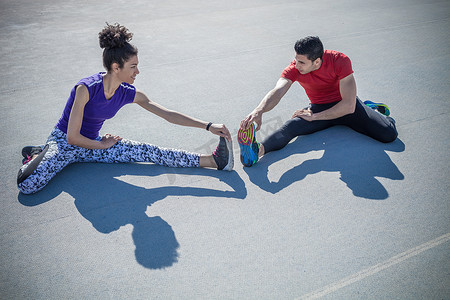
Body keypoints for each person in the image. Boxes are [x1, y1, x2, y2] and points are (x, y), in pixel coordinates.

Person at [17, 23, 233, 195]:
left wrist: (207, 126)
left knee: (150, 152)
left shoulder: (128, 92)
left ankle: (213, 161)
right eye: (133, 66)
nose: (138, 71)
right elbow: (72, 138)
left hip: (93, 145)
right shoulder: (86, 88)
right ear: (115, 67)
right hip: (64, 143)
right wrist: (102, 145)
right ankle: (38, 153)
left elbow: (167, 114)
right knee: (27, 185)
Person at [238, 36, 398, 167]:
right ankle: (256, 151)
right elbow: (277, 92)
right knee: (291, 127)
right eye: (296, 60)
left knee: (388, 134)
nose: (296, 65)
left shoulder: (339, 61)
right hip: (319, 108)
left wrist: (314, 117)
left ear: (317, 61)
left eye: (302, 62)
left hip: (347, 106)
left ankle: (374, 111)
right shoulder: (294, 68)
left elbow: (349, 106)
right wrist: (259, 110)